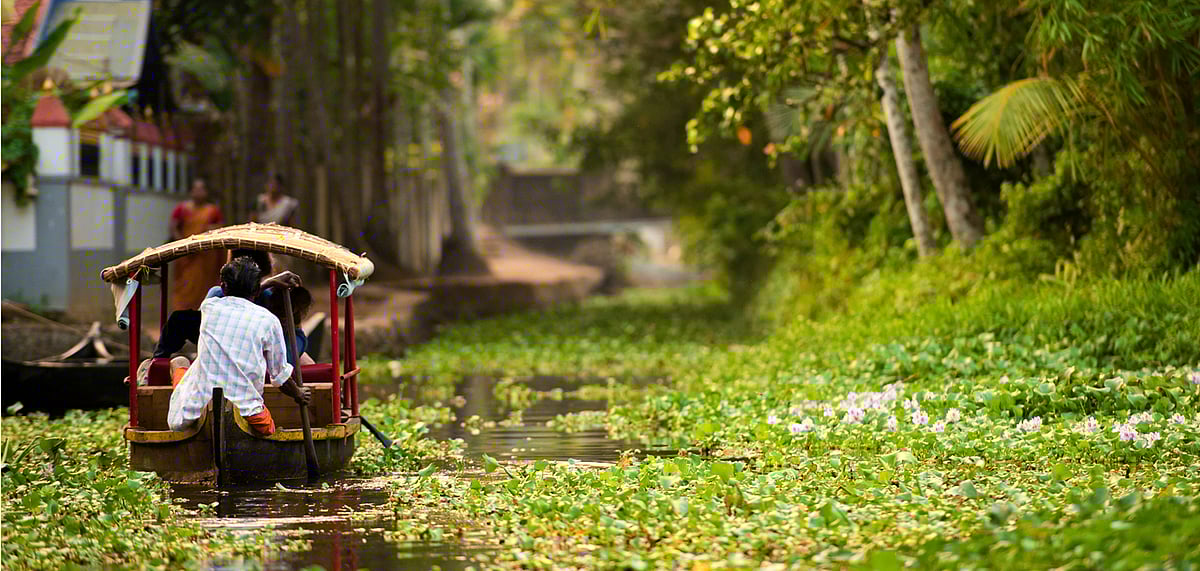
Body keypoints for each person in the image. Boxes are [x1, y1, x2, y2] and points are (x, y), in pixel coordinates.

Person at [167, 257, 311, 435]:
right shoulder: (269, 321)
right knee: (269, 429)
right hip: (247, 410)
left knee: (179, 362)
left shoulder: (209, 306)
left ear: (224, 286)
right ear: (257, 290)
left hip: (196, 408)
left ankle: (180, 366)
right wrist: (298, 394)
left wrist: (268, 283)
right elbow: (280, 377)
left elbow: (218, 293)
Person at [140, 249, 305, 383]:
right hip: (228, 346)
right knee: (181, 319)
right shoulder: (218, 296)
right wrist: (267, 284)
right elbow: (209, 322)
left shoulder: (272, 299)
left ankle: (156, 361)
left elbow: (285, 352)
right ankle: (155, 363)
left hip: (259, 351)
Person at [169, 179, 225, 311]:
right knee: (184, 288)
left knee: (205, 287)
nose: (199, 192)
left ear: (206, 192)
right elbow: (174, 227)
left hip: (205, 257)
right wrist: (183, 244)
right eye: (196, 189)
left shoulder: (212, 210)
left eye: (202, 189)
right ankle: (182, 315)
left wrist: (208, 230)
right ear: (191, 191)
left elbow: (220, 227)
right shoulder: (181, 209)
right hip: (186, 256)